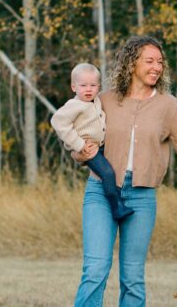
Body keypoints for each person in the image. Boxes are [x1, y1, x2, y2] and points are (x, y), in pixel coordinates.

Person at [60, 36, 177, 307]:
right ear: (131, 63)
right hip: (101, 192)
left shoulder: (169, 106)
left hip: (142, 197)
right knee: (95, 271)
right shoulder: (104, 99)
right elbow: (82, 137)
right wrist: (78, 152)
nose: (157, 66)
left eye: (160, 61)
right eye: (150, 60)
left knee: (133, 279)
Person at [50, 63, 126, 220]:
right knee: (107, 173)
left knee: (116, 169)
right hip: (89, 150)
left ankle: (118, 200)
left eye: (93, 85)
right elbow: (57, 122)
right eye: (83, 85)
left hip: (101, 145)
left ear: (98, 87)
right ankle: (116, 207)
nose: (88, 89)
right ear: (73, 87)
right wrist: (79, 144)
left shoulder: (96, 101)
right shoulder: (74, 105)